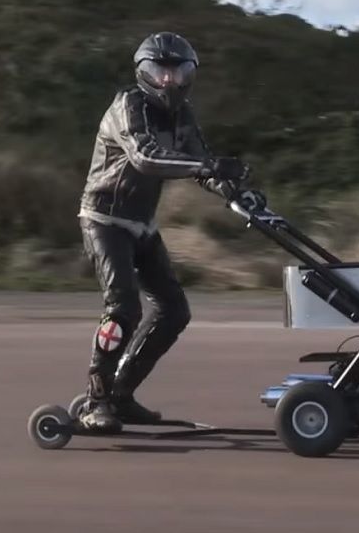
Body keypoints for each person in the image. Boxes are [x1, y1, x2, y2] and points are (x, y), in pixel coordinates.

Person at [76, 32, 259, 432]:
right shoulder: (128, 105)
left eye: (178, 72)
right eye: (160, 71)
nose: (169, 81)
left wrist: (235, 189)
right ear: (144, 72)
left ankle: (121, 394)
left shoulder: (183, 115)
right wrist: (207, 168)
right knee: (124, 308)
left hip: (142, 223)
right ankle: (95, 401)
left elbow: (200, 161)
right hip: (104, 220)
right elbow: (145, 157)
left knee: (174, 311)